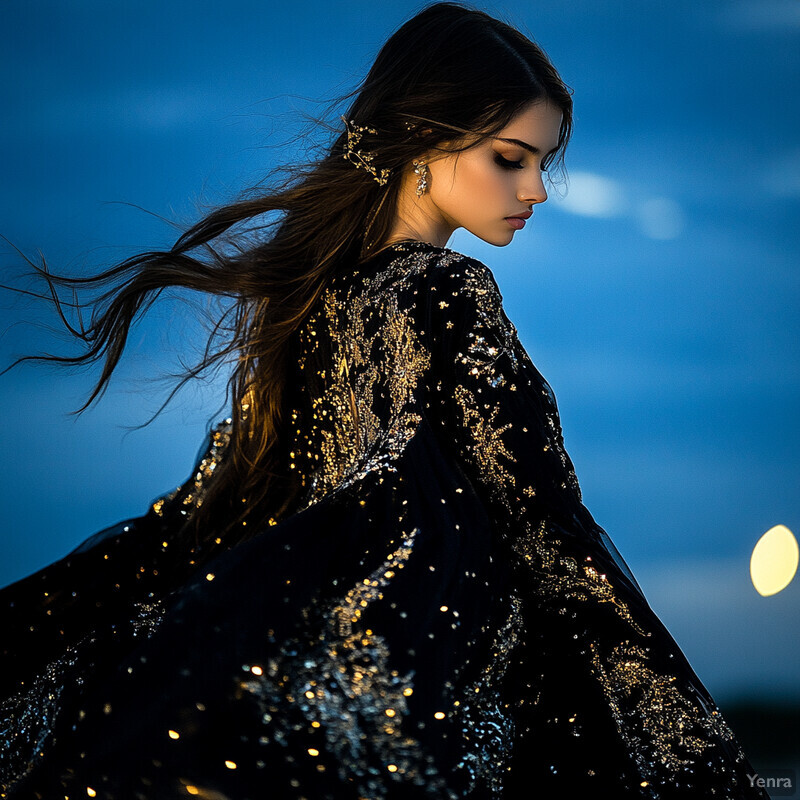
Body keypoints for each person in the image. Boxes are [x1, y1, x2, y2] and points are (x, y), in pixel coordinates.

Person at [0, 3, 767, 798]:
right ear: (426, 141)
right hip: (441, 674)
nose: (537, 189)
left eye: (543, 162)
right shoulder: (447, 289)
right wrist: (669, 724)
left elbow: (255, 490)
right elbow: (540, 514)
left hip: (329, 655)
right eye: (512, 158)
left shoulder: (313, 299)